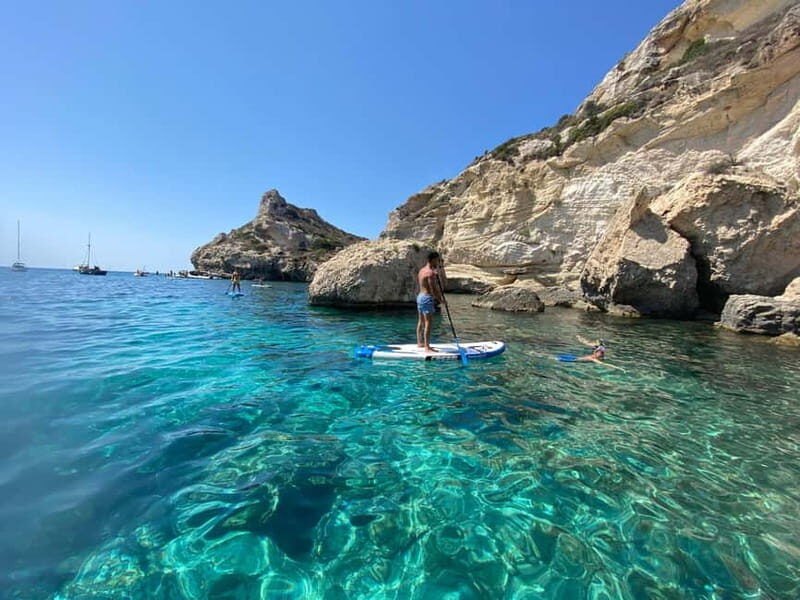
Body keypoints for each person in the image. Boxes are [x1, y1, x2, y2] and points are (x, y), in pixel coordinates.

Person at [416, 251, 445, 353]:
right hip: (427, 298)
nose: (438, 262)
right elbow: (434, 289)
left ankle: (419, 342)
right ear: (432, 260)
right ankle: (427, 347)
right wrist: (441, 300)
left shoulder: (421, 270)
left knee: (421, 321)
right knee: (429, 322)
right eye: (437, 260)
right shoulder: (430, 273)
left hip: (419, 297)